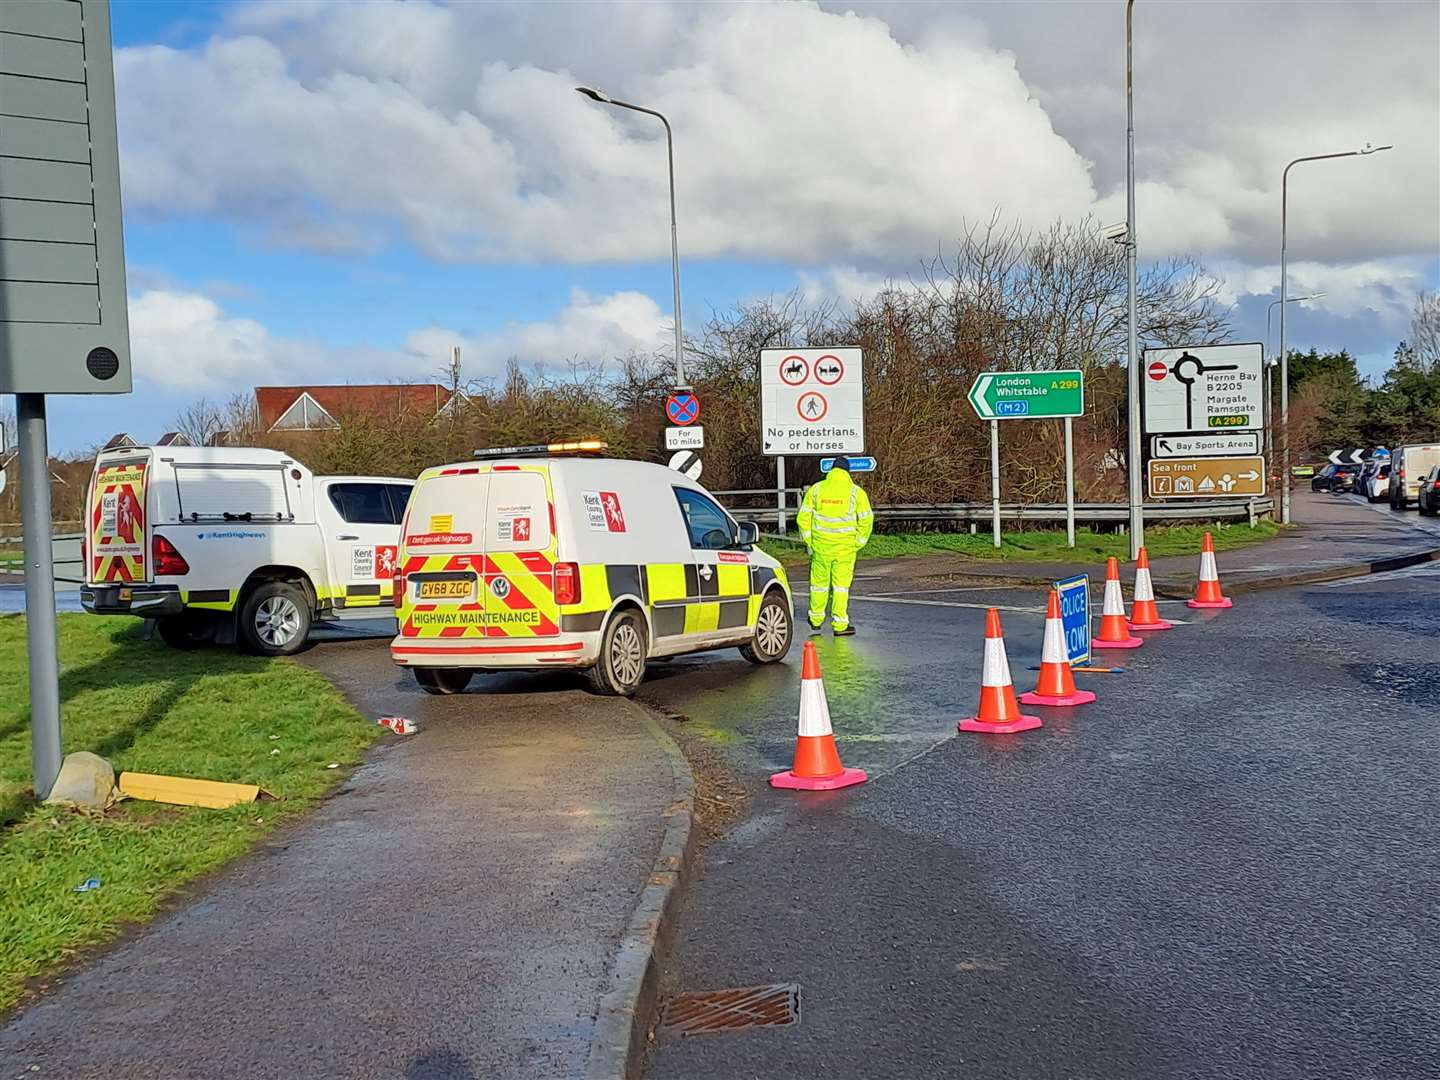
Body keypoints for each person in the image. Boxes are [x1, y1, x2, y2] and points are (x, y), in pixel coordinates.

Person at [796, 457, 873, 636]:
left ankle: (815, 620)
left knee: (818, 585)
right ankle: (839, 625)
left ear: (831, 470)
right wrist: (858, 543)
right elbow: (866, 520)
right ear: (847, 472)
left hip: (821, 548)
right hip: (845, 550)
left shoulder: (816, 490)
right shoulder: (856, 492)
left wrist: (810, 540)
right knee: (841, 587)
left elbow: (803, 517)